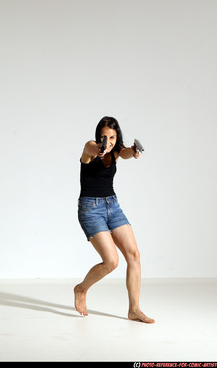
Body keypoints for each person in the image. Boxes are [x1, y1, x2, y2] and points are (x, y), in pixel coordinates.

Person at [74, 116, 155, 324]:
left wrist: (135, 151)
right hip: (90, 209)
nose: (107, 142)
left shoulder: (117, 151)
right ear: (97, 136)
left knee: (134, 255)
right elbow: (93, 149)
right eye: (104, 137)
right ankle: (81, 289)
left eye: (111, 137)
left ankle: (134, 309)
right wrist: (100, 149)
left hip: (113, 206)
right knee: (111, 262)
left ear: (116, 137)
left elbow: (126, 153)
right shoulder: (90, 148)